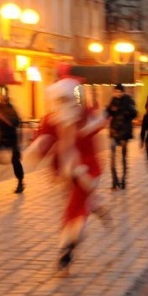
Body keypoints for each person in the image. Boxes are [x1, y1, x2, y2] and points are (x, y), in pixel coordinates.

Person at [26, 78, 109, 275]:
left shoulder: (85, 116)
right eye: (60, 100)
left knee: (75, 209)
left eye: (66, 99)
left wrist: (80, 166)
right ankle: (92, 207)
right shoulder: (51, 119)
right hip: (65, 173)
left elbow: (97, 133)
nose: (63, 104)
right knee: (72, 206)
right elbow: (43, 142)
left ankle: (67, 249)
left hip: (86, 169)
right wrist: (34, 150)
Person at [105, 83, 137, 190]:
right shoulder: (113, 100)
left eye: (119, 91)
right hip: (114, 132)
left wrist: (127, 111)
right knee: (112, 158)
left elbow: (134, 113)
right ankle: (114, 181)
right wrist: (109, 108)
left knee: (123, 158)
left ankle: (123, 181)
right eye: (116, 91)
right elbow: (108, 113)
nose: (117, 93)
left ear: (123, 92)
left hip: (124, 132)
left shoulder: (128, 100)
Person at [0, 94, 25, 194]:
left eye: (4, 100)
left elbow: (15, 123)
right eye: (1, 100)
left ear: (7, 101)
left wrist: (3, 118)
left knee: (15, 160)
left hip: (12, 136)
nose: (2, 102)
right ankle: (0, 162)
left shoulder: (12, 110)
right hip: (3, 136)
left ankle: (20, 182)